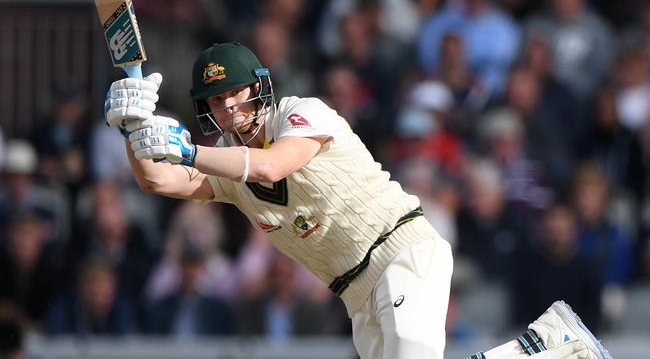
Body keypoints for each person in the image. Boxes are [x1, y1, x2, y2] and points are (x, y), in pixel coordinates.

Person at [103, 42, 611, 359]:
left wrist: (187, 150)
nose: (231, 107)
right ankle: (546, 345)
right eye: (217, 100)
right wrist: (132, 130)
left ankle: (547, 342)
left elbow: (271, 165)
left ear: (261, 88)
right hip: (355, 294)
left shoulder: (303, 113)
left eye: (237, 92)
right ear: (205, 107)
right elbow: (157, 182)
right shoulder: (227, 164)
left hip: (401, 251)